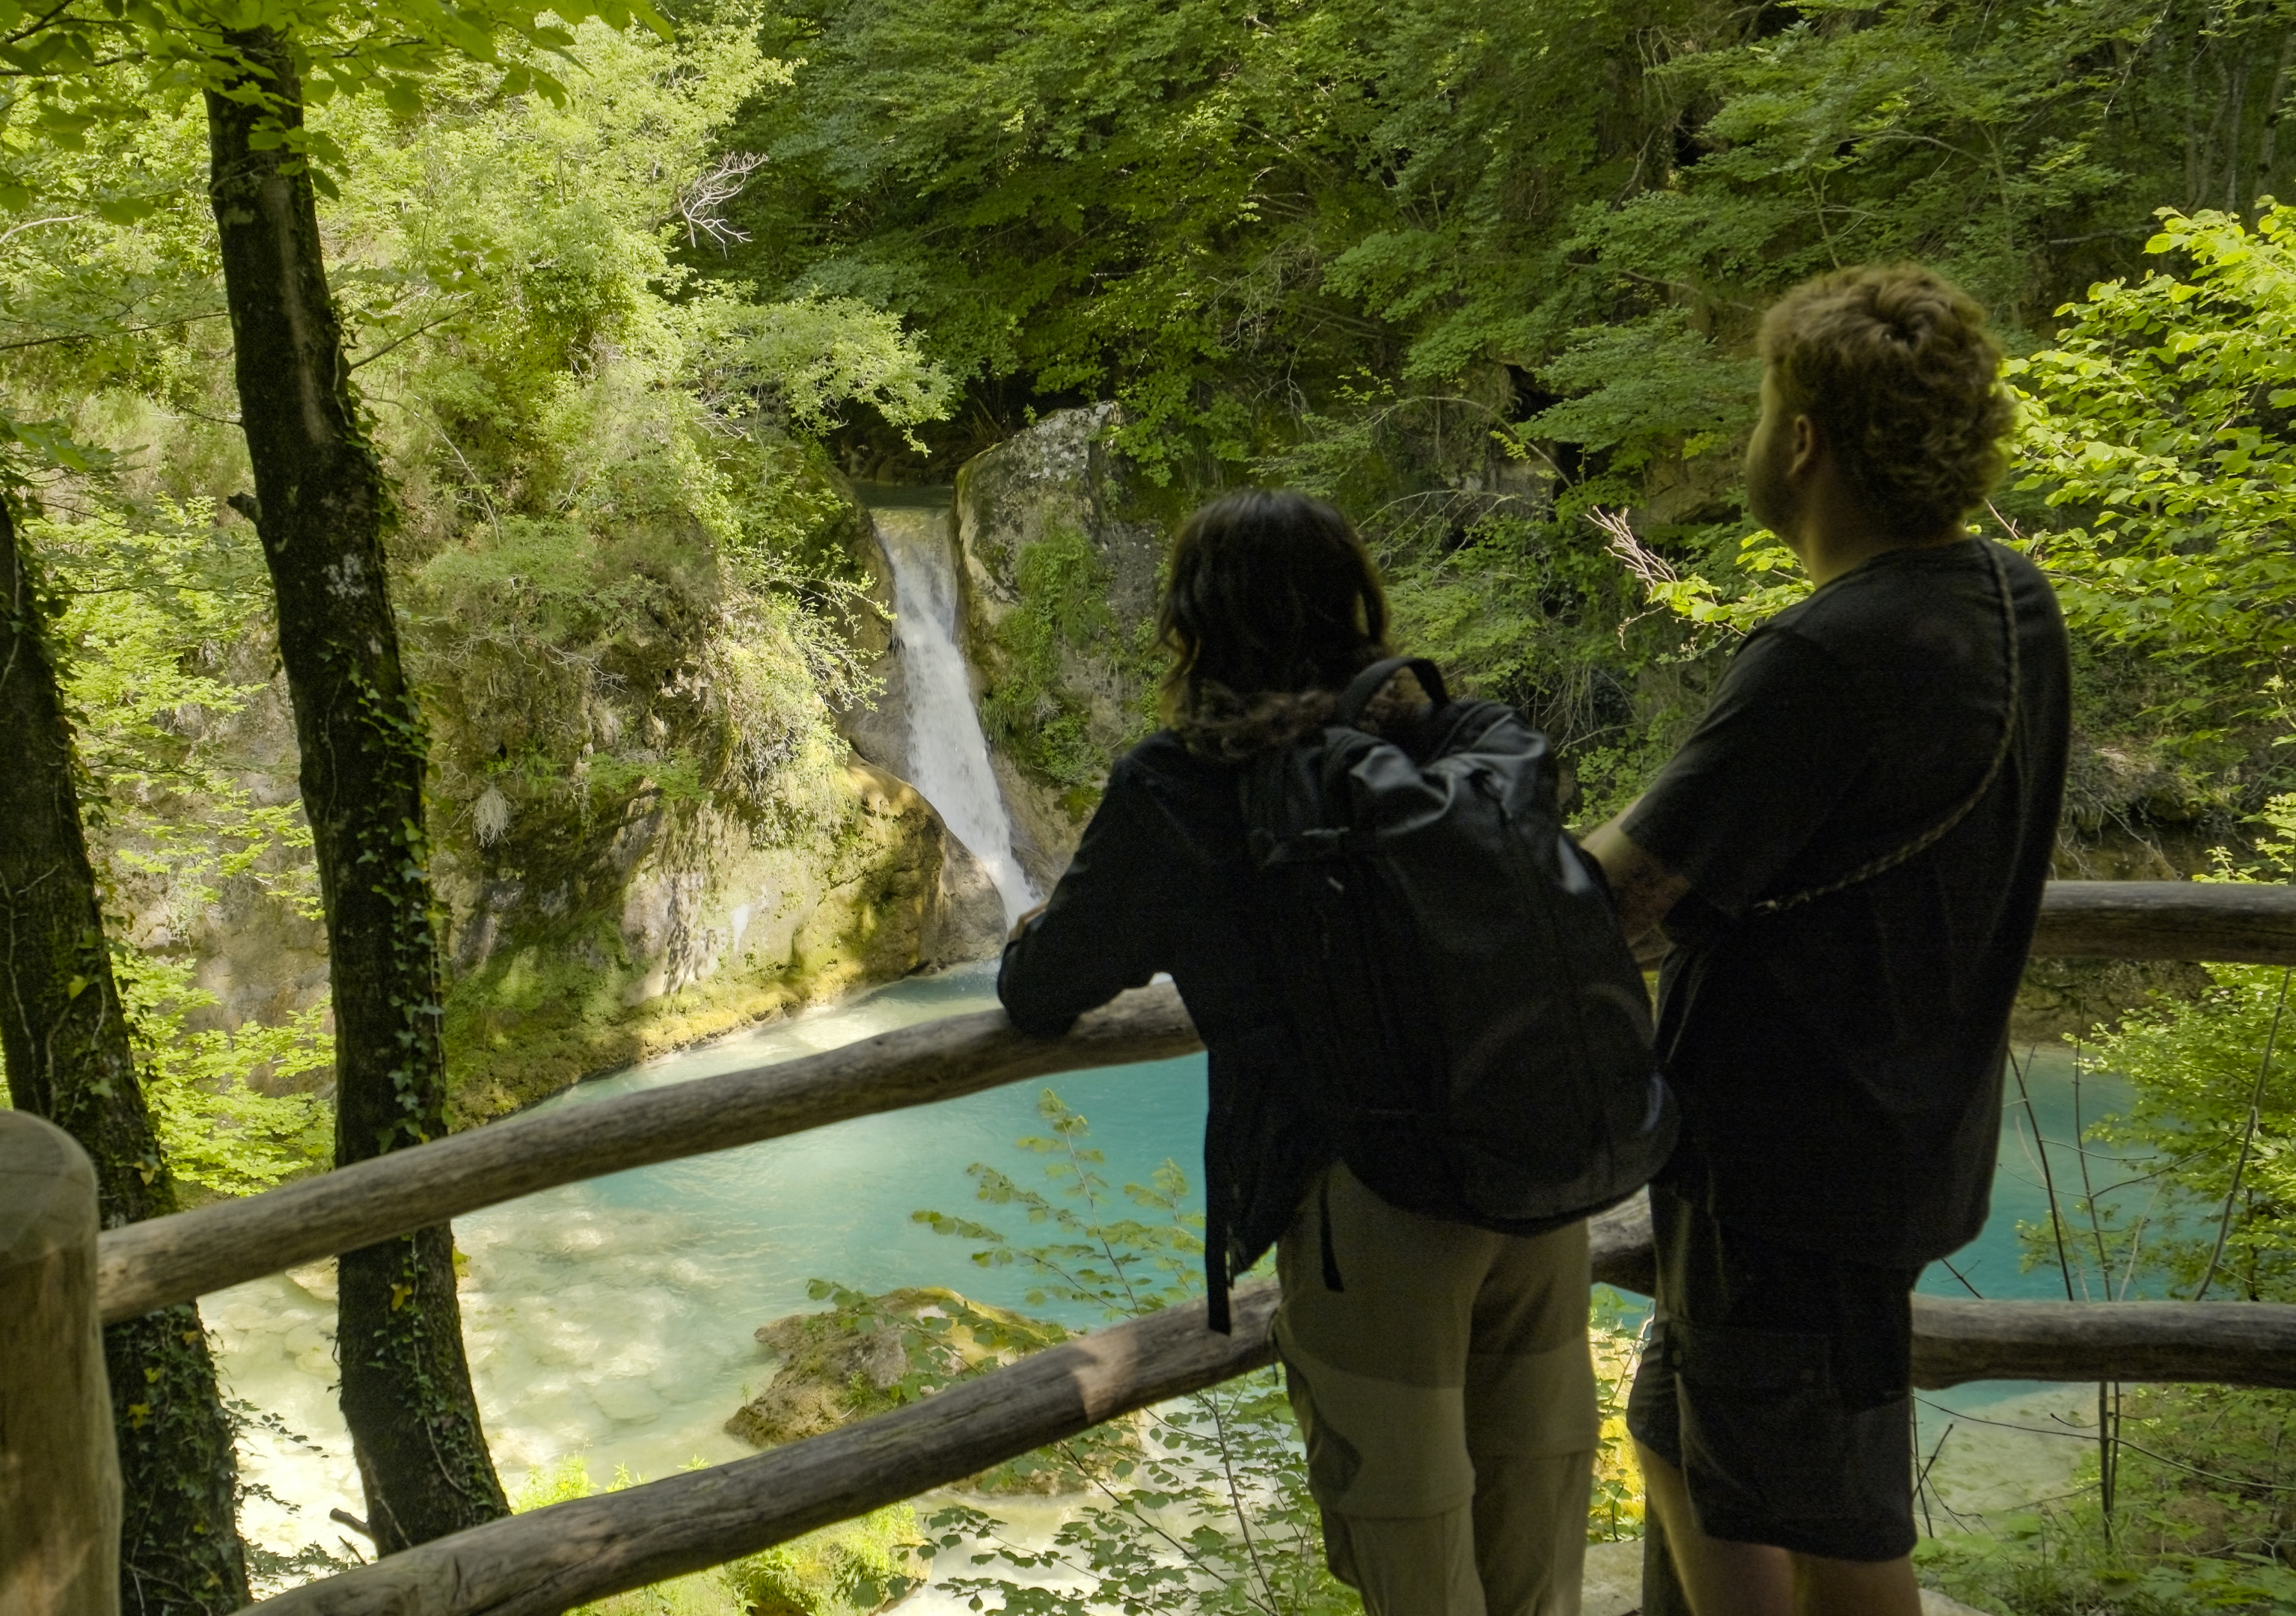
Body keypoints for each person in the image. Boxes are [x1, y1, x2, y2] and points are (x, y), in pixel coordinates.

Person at [999, 489, 1601, 1616]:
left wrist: (1033, 930)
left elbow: (1044, 991)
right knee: (1536, 1502)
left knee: (1407, 1535)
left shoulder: (1178, 784)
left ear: (1192, 623)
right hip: (1529, 1167)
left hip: (1361, 1202)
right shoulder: (1440, 747)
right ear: (1356, 601)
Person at [1580, 264, 2072, 1616]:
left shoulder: (1827, 657)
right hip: (1893, 1133)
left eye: (1759, 407)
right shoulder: (2004, 599)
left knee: (1832, 1525)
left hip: (1790, 1172)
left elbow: (1612, 905)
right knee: (1683, 1439)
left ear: (1799, 440)